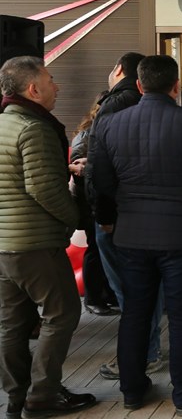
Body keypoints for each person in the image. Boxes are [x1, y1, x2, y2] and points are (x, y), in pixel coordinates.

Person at [87, 55, 182, 415]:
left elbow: (100, 182)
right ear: (176, 86)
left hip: (131, 233)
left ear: (138, 85)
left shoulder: (109, 125)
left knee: (135, 311)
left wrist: (116, 211)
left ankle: (133, 390)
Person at [0, 56, 97, 418]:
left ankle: (16, 397)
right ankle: (42, 395)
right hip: (36, 243)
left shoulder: (5, 124)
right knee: (63, 313)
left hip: (6, 243)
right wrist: (76, 218)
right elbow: (43, 189)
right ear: (33, 89)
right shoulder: (34, 127)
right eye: (51, 80)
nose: (57, 87)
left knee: (12, 323)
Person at [86, 52, 166, 381]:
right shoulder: (158, 109)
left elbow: (101, 169)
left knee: (129, 290)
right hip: (150, 211)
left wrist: (103, 214)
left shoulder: (115, 105)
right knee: (147, 286)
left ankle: (141, 356)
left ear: (119, 69)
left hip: (118, 214)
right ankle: (149, 350)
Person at [69, 93, 118, 317]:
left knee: (102, 250)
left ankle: (105, 294)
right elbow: (76, 168)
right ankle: (93, 298)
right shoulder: (87, 135)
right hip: (90, 201)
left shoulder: (97, 132)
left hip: (100, 199)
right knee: (95, 250)